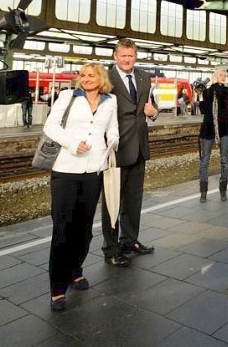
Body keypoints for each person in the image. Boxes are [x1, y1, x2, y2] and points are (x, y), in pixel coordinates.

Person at [43, 62, 119, 311]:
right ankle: (57, 287)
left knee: (85, 227)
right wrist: (73, 144)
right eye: (83, 75)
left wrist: (114, 140)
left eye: (91, 75)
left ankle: (76, 269)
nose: (86, 78)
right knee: (63, 228)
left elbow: (112, 128)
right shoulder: (67, 97)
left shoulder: (110, 101)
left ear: (101, 78)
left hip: (94, 170)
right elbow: (50, 126)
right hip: (66, 170)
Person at [101, 38, 158, 267]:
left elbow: (149, 107)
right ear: (116, 56)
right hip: (116, 148)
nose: (127, 60)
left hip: (139, 147)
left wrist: (154, 112)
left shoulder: (144, 77)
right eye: (123, 56)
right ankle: (111, 248)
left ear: (136, 56)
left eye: (131, 56)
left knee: (134, 199)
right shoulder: (106, 77)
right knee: (113, 201)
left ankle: (130, 240)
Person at [198, 69, 228, 202]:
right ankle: (203, 191)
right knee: (205, 160)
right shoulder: (207, 92)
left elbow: (222, 96)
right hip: (208, 128)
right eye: (221, 75)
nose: (223, 77)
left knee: (224, 159)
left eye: (225, 76)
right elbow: (203, 109)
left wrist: (211, 86)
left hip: (224, 128)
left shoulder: (227, 91)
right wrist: (200, 94)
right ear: (215, 76)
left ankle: (223, 189)